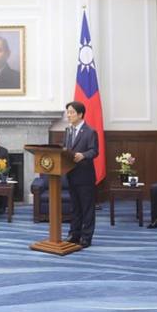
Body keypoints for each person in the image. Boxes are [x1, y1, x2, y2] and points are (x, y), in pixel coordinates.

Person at [63, 101, 99, 248]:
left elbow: (94, 151)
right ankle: (74, 234)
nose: (69, 115)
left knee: (87, 208)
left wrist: (83, 155)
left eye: (71, 112)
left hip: (85, 176)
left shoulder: (90, 132)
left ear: (80, 114)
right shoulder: (68, 131)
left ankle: (86, 237)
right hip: (71, 174)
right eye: (68, 112)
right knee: (75, 208)